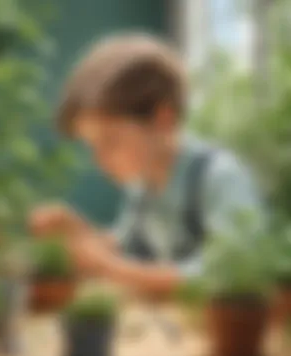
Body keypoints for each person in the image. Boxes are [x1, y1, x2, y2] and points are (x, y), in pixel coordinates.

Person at [29, 33, 262, 295]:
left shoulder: (220, 177)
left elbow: (225, 277)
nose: (99, 159)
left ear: (163, 120)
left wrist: (108, 268)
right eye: (92, 146)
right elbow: (125, 250)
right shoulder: (143, 185)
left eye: (111, 141)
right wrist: (74, 229)